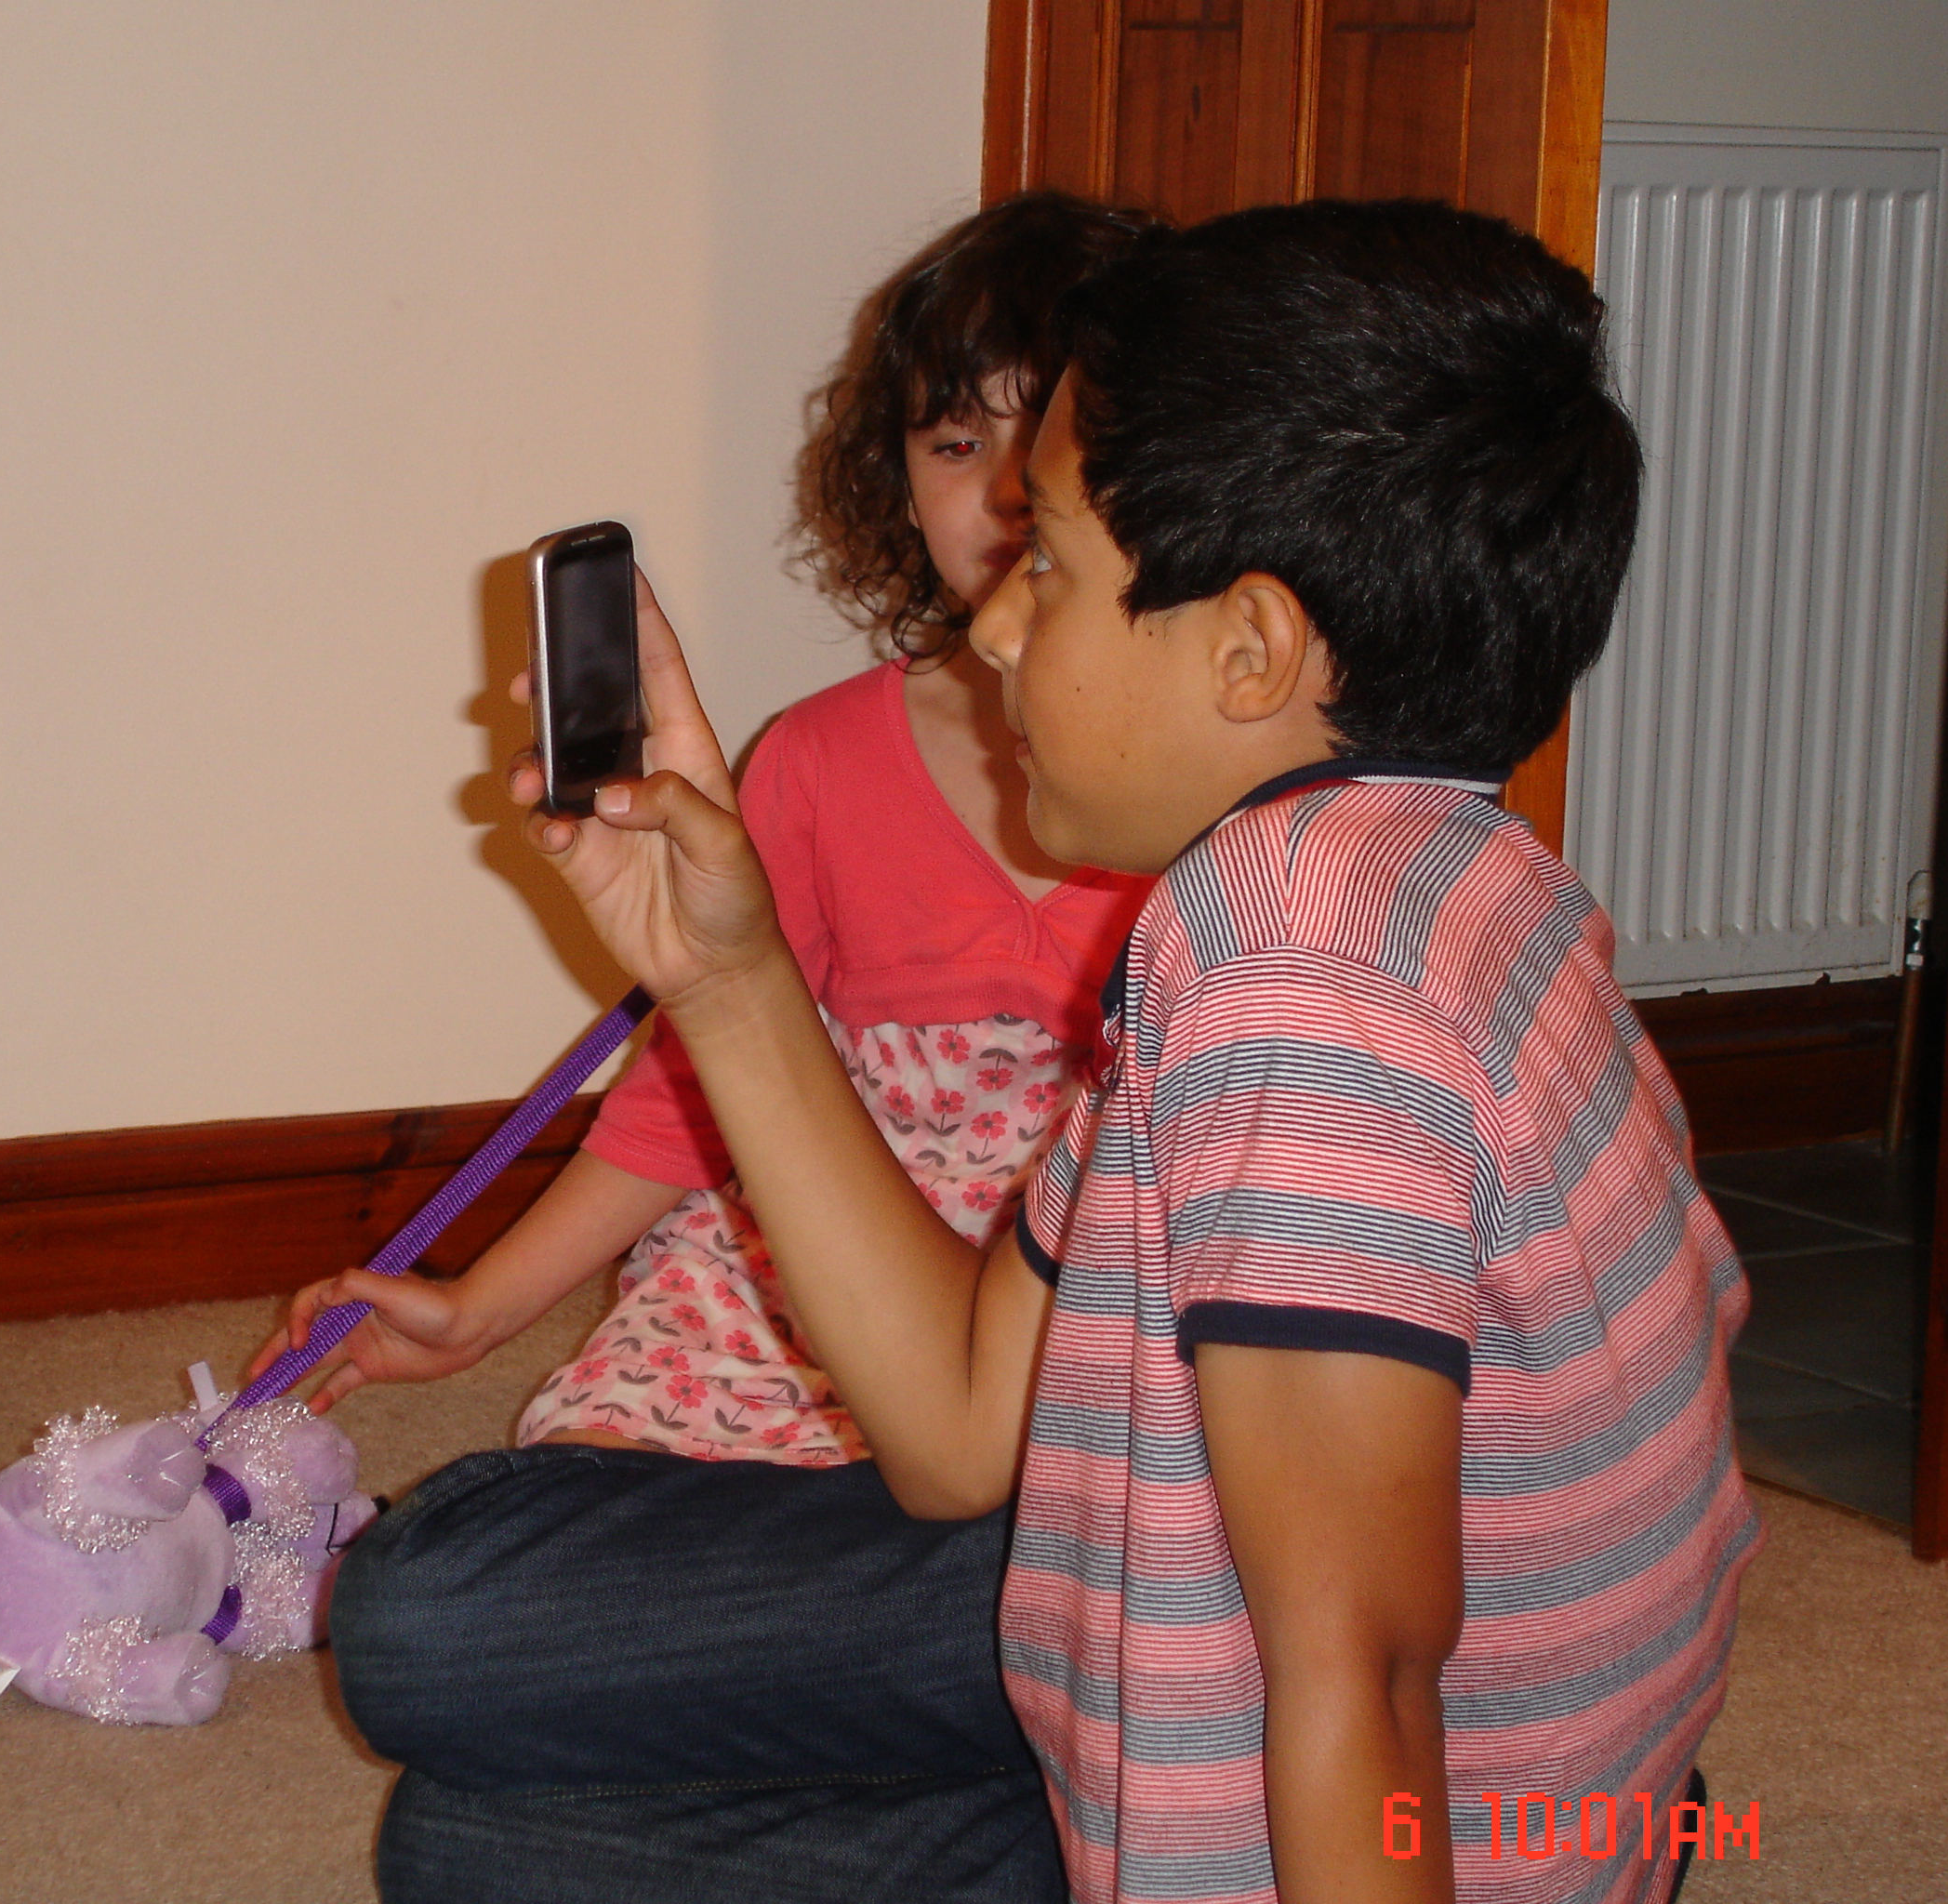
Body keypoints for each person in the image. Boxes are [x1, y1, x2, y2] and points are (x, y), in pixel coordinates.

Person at [444, 200, 1759, 1904]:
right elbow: (957, 1429)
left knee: (447, 1601)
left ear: (1251, 649)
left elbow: (1360, 1678)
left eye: (1051, 563)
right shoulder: (1426, 870)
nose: (995, 625)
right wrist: (727, 974)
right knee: (472, 1841)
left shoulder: (1299, 987)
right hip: (1426, 1788)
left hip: (1404, 1845)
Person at [249, 192, 1147, 1903]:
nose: (999, 499)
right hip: (831, 1273)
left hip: (1050, 1326)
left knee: (451, 1672)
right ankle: (1065, 1778)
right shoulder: (818, 763)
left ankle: (1064, 1715)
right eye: (954, 442)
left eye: (1046, 446)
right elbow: (698, 1088)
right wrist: (482, 1307)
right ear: (894, 474)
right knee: (456, 1839)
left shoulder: (1208, 813)